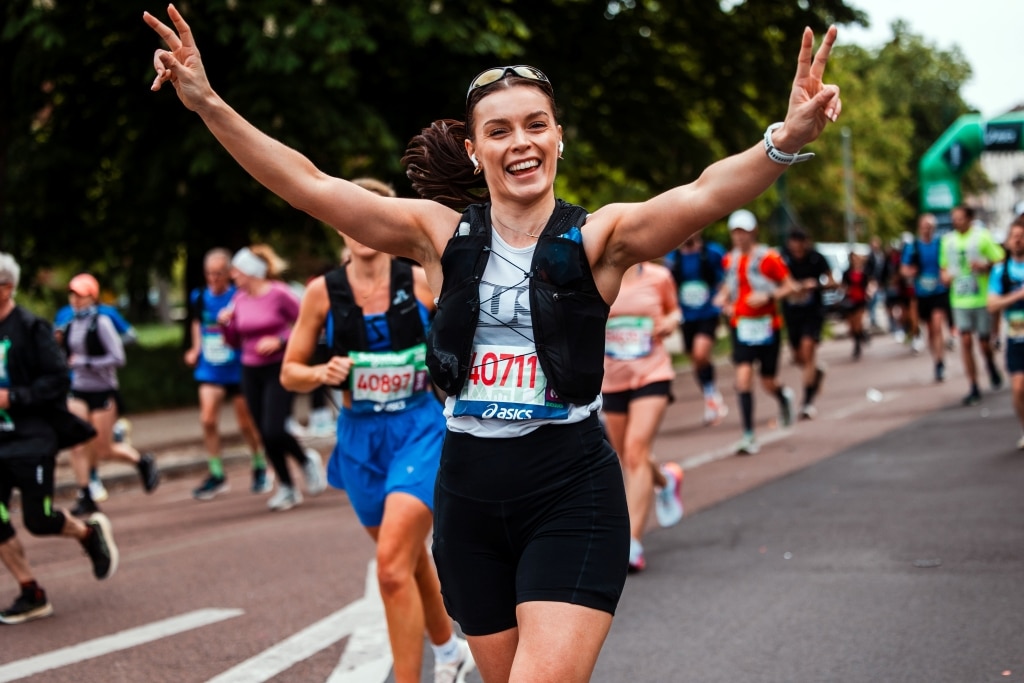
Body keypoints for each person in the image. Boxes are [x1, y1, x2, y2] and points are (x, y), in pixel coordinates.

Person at [145, 7, 840, 678]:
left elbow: (704, 192)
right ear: (476, 153)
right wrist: (207, 103)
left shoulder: (599, 238)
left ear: (559, 137)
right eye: (501, 131)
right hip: (468, 498)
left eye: (537, 125)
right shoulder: (438, 236)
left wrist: (784, 139)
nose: (522, 143)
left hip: (570, 490)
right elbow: (308, 184)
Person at [281, 178, 473, 682]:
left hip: (418, 428)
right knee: (405, 562)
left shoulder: (418, 280)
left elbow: (470, 333)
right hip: (359, 438)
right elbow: (289, 371)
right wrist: (320, 374)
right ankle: (450, 649)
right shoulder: (322, 293)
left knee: (390, 566)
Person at [0, 252, 119, 625]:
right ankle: (30, 591)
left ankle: (87, 532)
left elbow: (58, 380)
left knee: (39, 519)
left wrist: (13, 397)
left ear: (6, 288)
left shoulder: (31, 327)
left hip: (32, 438)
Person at [218, 244, 326, 511]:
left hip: (280, 366)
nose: (233, 276)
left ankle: (303, 460)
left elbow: (307, 325)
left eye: (236, 270)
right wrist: (226, 325)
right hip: (250, 369)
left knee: (274, 428)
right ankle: (288, 487)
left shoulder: (279, 294)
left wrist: (279, 340)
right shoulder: (238, 300)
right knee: (264, 432)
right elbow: (234, 341)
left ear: (250, 272)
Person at [600, 260, 685, 573]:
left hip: (652, 373)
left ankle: (632, 543)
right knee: (626, 456)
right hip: (611, 378)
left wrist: (669, 322)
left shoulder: (658, 276)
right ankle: (667, 479)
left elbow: (675, 311)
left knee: (636, 452)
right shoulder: (598, 274)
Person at [63, 273, 160, 516]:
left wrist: (85, 362)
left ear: (92, 297)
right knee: (77, 444)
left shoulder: (102, 322)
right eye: (73, 294)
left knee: (103, 448)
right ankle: (85, 494)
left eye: (81, 295)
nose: (75, 300)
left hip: (102, 390)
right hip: (78, 390)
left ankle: (141, 462)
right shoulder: (70, 324)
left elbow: (118, 358)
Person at [184, 247, 268, 500]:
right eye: (209, 274)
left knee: (246, 423)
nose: (214, 279)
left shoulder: (239, 296)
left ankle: (259, 464)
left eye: (219, 273)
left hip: (238, 366)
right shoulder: (199, 297)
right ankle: (217, 473)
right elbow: (197, 323)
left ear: (228, 273)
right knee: (208, 419)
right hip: (210, 367)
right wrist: (195, 348)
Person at [715, 210, 799, 455]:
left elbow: (790, 285)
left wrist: (768, 295)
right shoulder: (729, 260)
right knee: (742, 379)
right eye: (735, 232)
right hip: (741, 327)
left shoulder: (768, 258)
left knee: (768, 381)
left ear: (753, 232)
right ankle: (748, 435)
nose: (738, 237)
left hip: (767, 327)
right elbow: (729, 287)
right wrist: (724, 298)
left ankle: (783, 397)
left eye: (743, 231)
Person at [940, 205, 1005, 404]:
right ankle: (973, 385)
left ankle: (991, 365)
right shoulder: (947, 241)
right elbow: (943, 268)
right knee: (965, 341)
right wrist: (945, 277)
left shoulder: (982, 237)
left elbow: (1000, 258)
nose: (956, 222)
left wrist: (984, 265)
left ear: (969, 218)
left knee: (983, 343)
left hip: (981, 297)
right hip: (959, 299)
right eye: (954, 219)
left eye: (960, 218)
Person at [663, 234, 728, 425]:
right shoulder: (673, 258)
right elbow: (669, 286)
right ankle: (711, 395)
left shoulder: (712, 252)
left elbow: (726, 278)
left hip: (708, 312)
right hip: (686, 316)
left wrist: (722, 296)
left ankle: (711, 395)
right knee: (696, 360)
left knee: (700, 354)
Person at [780, 227, 834, 419]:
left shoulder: (816, 258)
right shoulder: (783, 258)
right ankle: (815, 373)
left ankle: (807, 402)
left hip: (813, 312)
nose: (796, 246)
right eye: (793, 241)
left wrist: (816, 284)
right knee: (799, 356)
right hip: (792, 313)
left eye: (799, 241)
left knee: (808, 348)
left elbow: (832, 281)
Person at [987, 216, 1024, 448]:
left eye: (1022, 237)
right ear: (1007, 242)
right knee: (1019, 388)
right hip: (1016, 336)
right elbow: (991, 305)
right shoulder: (1001, 272)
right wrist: (1018, 296)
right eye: (1014, 237)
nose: (1018, 241)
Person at [901, 213, 951, 382]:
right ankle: (936, 360)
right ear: (920, 227)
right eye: (924, 225)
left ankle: (941, 361)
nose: (927, 229)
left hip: (939, 291)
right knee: (930, 330)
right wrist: (910, 271)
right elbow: (903, 269)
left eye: (930, 226)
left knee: (937, 325)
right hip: (922, 293)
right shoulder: (913, 246)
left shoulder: (941, 244)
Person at [840, 246, 872, 360]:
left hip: (860, 300)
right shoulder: (846, 273)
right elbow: (843, 286)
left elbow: (869, 285)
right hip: (850, 300)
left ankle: (857, 346)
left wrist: (870, 292)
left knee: (858, 324)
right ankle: (863, 335)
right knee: (852, 327)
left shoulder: (864, 273)